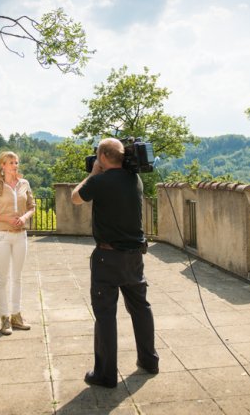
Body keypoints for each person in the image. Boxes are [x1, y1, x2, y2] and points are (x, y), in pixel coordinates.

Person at [71, 138, 159, 388]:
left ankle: (105, 374)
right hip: (134, 257)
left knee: (106, 315)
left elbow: (75, 198)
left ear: (103, 157)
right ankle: (149, 361)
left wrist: (92, 174)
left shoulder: (99, 181)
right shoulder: (136, 179)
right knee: (141, 308)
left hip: (107, 258)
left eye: (98, 157)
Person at [0, 151, 36, 335]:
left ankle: (16, 316)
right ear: (2, 165)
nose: (15, 165)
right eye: (11, 162)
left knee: (17, 277)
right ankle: (4, 319)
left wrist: (24, 218)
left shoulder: (24, 184)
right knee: (2, 278)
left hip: (20, 235)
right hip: (2, 235)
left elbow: (32, 207)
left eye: (16, 162)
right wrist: (7, 219)